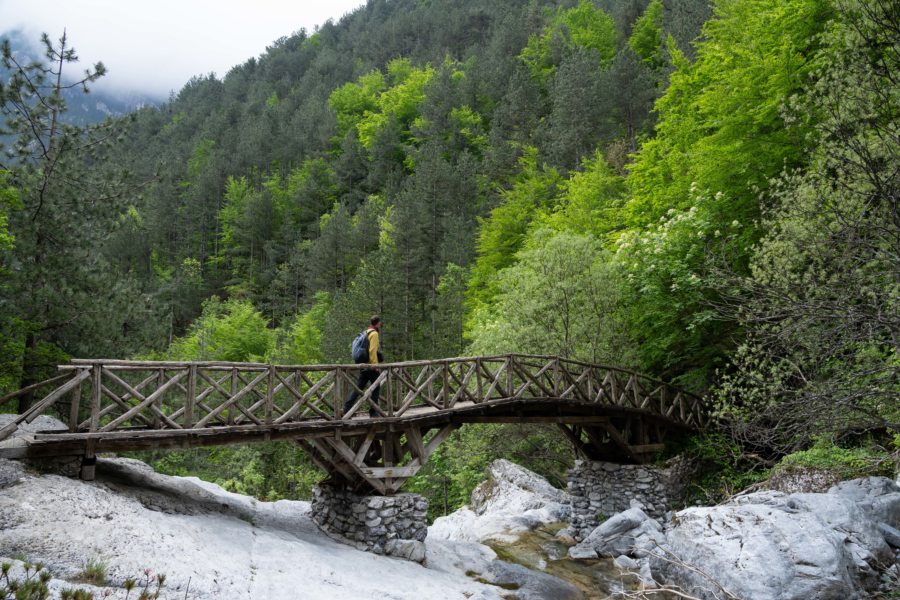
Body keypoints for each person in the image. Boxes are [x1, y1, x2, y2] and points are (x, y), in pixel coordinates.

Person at [344, 315, 384, 417]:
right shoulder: (374, 333)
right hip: (370, 365)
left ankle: (347, 408)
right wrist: (375, 365)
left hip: (363, 365)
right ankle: (373, 411)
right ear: (378, 323)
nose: (380, 324)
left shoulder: (366, 332)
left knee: (359, 388)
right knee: (376, 386)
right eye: (380, 323)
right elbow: (372, 351)